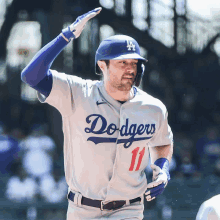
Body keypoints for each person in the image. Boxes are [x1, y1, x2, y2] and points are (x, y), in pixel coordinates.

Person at [21, 7, 173, 220]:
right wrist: (66, 36)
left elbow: (162, 142)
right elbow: (31, 76)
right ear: (102, 65)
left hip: (128, 209)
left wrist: (162, 170)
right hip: (82, 210)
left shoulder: (153, 107)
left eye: (134, 63)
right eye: (122, 63)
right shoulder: (77, 92)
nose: (130, 68)